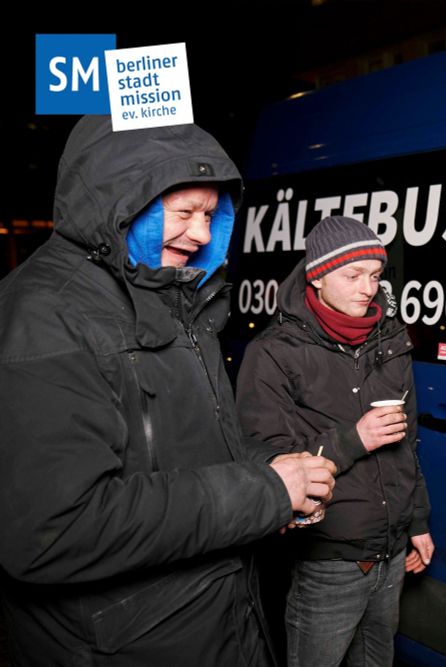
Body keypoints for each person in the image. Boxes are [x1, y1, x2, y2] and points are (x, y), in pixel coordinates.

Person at [0, 116, 336, 666]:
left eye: (210, 215)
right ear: (119, 203)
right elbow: (54, 531)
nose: (201, 234)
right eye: (183, 213)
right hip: (126, 645)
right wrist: (263, 492)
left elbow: (185, 449)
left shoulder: (172, 295)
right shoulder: (44, 317)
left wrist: (271, 469)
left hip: (210, 624)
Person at [236, 215, 433, 667]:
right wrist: (354, 439)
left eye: (375, 276)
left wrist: (417, 521)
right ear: (318, 277)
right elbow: (266, 460)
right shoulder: (274, 352)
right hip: (329, 558)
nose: (368, 288)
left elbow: (409, 443)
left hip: (390, 550)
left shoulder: (390, 339)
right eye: (353, 275)